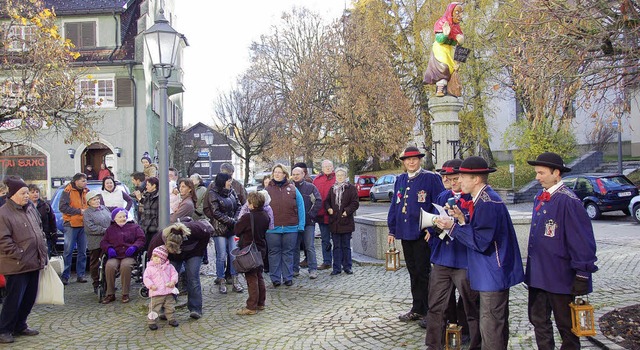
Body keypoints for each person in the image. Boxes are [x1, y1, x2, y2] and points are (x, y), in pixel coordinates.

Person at [436, 156, 524, 350]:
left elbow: (481, 242)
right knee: (491, 325)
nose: (458, 181)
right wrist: (462, 220)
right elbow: (481, 232)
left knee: (491, 327)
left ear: (476, 179)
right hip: (488, 273)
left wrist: (453, 227)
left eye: (463, 177)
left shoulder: (487, 202)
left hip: (492, 274)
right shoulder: (483, 199)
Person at [526, 152, 598, 350]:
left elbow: (582, 241)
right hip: (539, 276)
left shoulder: (569, 201)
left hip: (560, 277)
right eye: (536, 173)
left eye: (541, 173)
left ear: (556, 173)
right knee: (538, 321)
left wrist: (583, 273)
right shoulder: (539, 197)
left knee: (567, 327)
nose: (537, 177)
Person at [424, 159, 480, 349]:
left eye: (455, 178)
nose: (452, 182)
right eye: (447, 178)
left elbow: (477, 231)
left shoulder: (473, 197)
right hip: (442, 258)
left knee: (471, 306)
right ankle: (433, 345)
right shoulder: (441, 196)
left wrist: (458, 223)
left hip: (464, 260)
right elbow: (431, 227)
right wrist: (435, 226)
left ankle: (475, 343)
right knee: (436, 306)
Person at [387, 146, 445, 323]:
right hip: (406, 232)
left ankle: (429, 311)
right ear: (404, 162)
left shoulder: (430, 178)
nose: (411, 162)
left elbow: (439, 204)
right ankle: (417, 308)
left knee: (423, 272)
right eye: (407, 159)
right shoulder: (401, 179)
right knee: (413, 271)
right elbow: (395, 205)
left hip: (422, 233)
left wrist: (432, 228)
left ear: (419, 160)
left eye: (414, 159)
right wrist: (392, 229)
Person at [0, 177, 48, 344]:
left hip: (33, 262)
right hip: (16, 264)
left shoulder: (30, 209)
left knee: (29, 297)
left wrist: (43, 252)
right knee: (13, 299)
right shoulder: (3, 213)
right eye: (23, 193)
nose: (27, 195)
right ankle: (4, 330)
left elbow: (39, 231)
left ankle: (20, 325)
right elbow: (3, 240)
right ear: (13, 194)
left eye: (28, 192)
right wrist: (19, 253)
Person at [148, 220, 213, 320]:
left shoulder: (196, 229)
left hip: (193, 252)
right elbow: (151, 254)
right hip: (173, 257)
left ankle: (195, 308)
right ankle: (166, 308)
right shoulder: (160, 238)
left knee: (193, 277)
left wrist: (199, 251)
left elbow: (206, 234)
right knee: (168, 279)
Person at [265, 164, 305, 287]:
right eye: (275, 172)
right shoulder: (267, 190)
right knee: (274, 253)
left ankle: (288, 277)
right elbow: (261, 209)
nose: (277, 174)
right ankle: (275, 278)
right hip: (272, 229)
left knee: (288, 253)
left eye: (280, 172)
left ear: (285, 174)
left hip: (291, 227)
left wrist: (301, 225)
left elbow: (300, 206)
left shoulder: (293, 188)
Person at [204, 173, 242, 293]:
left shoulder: (232, 191)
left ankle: (235, 279)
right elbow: (215, 212)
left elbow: (239, 206)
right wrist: (231, 221)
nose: (230, 183)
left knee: (234, 254)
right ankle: (221, 279)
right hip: (219, 229)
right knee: (221, 256)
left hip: (232, 228)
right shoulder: (212, 193)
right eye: (228, 180)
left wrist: (235, 219)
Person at [233, 192, 270, 315]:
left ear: (252, 204)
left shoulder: (248, 217)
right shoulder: (265, 215)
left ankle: (251, 306)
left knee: (251, 277)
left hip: (249, 250)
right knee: (259, 276)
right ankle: (261, 302)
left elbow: (237, 230)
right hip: (261, 248)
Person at [100, 208, 146, 304]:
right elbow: (104, 242)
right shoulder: (110, 229)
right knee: (109, 266)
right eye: (120, 217)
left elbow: (141, 239)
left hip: (129, 255)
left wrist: (134, 247)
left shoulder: (134, 227)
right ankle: (110, 293)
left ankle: (125, 293)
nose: (122, 218)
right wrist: (109, 249)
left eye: (124, 216)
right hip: (115, 255)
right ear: (114, 219)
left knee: (125, 266)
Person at [423, 2, 465, 97]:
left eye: (461, 13)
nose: (460, 16)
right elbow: (439, 39)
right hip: (440, 49)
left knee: (452, 69)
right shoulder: (442, 22)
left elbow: (459, 46)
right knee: (443, 67)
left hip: (450, 50)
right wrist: (445, 35)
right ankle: (440, 89)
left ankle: (448, 89)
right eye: (457, 12)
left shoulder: (457, 27)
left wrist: (458, 62)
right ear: (451, 12)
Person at [324, 167, 359, 275]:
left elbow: (355, 203)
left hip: (346, 221)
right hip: (334, 222)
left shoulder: (351, 188)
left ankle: (347, 266)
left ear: (345, 176)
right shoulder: (332, 188)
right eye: (338, 175)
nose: (339, 177)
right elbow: (327, 202)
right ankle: (336, 268)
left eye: (341, 175)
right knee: (336, 246)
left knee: (346, 246)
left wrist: (347, 211)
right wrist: (329, 208)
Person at [291, 167, 321, 279]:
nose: (295, 176)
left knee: (309, 246)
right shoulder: (290, 187)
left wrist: (310, 215)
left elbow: (318, 201)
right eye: (293, 174)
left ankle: (313, 269)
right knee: (295, 247)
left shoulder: (310, 187)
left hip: (308, 222)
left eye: (298, 174)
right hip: (294, 222)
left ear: (303, 174)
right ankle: (294, 269)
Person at [59, 172, 89, 285]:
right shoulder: (67, 191)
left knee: (83, 252)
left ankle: (80, 275)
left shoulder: (87, 191)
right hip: (71, 224)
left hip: (83, 224)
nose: (85, 182)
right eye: (83, 180)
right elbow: (62, 207)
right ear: (76, 181)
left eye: (85, 180)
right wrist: (78, 211)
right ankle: (65, 276)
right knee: (68, 251)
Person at [143, 245, 179, 330]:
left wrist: (173, 282)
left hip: (168, 291)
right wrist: (151, 285)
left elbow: (174, 274)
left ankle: (171, 319)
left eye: (158, 257)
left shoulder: (169, 267)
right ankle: (152, 321)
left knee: (170, 306)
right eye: (154, 256)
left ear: (163, 258)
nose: (155, 258)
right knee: (154, 307)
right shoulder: (149, 268)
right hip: (156, 292)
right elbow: (146, 278)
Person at [83, 190, 111, 294]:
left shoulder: (104, 209)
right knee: (96, 263)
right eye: (94, 199)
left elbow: (111, 220)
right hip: (95, 242)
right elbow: (90, 228)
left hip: (107, 241)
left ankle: (108, 283)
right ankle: (96, 283)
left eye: (98, 199)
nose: (97, 201)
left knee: (107, 263)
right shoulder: (87, 213)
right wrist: (105, 230)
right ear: (89, 202)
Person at [313, 160, 336, 270]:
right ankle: (327, 261)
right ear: (322, 168)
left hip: (335, 215)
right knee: (325, 239)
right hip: (322, 214)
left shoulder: (338, 178)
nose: (327, 168)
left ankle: (338, 261)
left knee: (337, 239)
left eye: (329, 166)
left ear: (333, 167)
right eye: (325, 166)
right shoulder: (317, 180)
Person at [28, 185, 58, 257]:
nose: (35, 194)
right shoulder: (25, 206)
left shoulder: (45, 205)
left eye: (37, 192)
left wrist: (54, 234)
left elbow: (52, 220)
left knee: (46, 259)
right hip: (30, 239)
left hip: (45, 237)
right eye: (32, 192)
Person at [138, 177, 160, 249]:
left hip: (155, 227)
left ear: (154, 186)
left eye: (148, 185)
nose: (146, 187)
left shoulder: (160, 196)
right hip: (146, 226)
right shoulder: (147, 195)